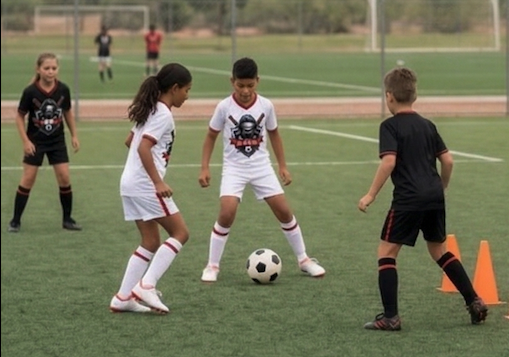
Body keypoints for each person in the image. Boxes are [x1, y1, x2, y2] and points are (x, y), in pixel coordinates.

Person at [357, 67, 488, 330]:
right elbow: (448, 160)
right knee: (439, 250)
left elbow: (389, 161)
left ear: (389, 96)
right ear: (414, 96)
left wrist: (371, 194)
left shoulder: (389, 126)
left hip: (408, 198)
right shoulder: (427, 125)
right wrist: (442, 186)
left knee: (387, 252)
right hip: (433, 195)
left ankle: (391, 317)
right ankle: (474, 300)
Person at [198, 57, 326, 282]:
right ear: (232, 82)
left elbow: (274, 134)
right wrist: (205, 167)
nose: (245, 90)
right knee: (227, 212)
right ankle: (212, 265)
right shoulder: (224, 107)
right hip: (234, 168)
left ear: (257, 81)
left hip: (261, 166)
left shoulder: (266, 105)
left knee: (284, 211)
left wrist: (282, 166)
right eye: (240, 85)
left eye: (250, 85)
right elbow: (210, 136)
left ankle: (304, 260)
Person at [110, 62, 192, 314]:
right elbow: (143, 146)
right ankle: (147, 285)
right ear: (175, 88)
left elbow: (129, 141)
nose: (187, 96)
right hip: (145, 186)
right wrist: (157, 181)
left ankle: (123, 298)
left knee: (150, 241)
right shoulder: (163, 114)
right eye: (187, 90)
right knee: (180, 233)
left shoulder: (151, 109)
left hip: (130, 183)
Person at [8, 52, 81, 233]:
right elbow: (19, 117)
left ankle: (67, 219)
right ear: (38, 69)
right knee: (28, 179)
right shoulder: (30, 91)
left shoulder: (63, 89)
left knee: (64, 178)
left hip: (57, 142)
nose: (50, 72)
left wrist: (74, 135)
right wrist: (25, 141)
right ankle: (15, 221)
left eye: (54, 68)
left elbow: (67, 113)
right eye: (46, 68)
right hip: (35, 142)